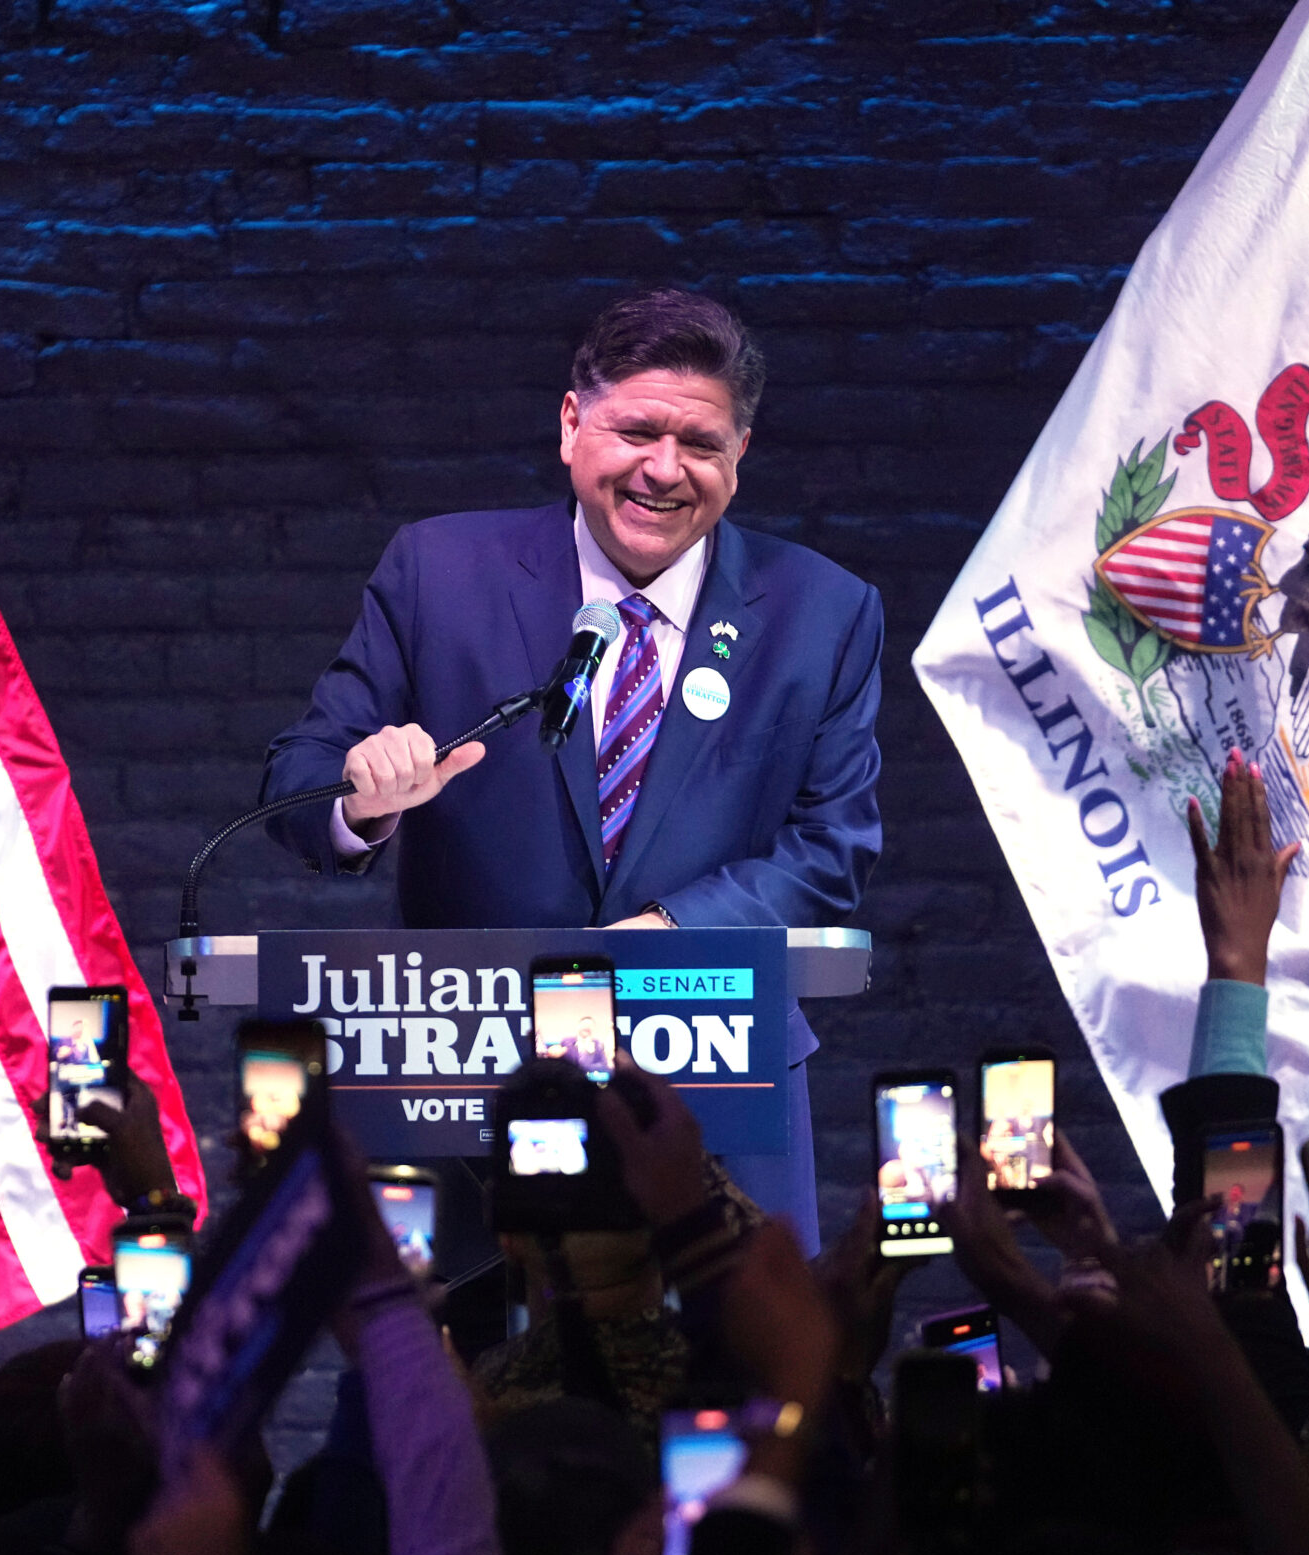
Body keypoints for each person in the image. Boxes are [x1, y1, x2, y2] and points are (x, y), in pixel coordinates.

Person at [262, 288, 886, 1248]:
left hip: (722, 1084)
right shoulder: (439, 572)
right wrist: (363, 797)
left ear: (740, 455)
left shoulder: (824, 611)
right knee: (478, 1348)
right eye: (636, 431)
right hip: (474, 1092)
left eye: (701, 444)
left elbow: (833, 847)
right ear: (570, 424)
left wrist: (667, 932)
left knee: (737, 1347)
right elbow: (298, 777)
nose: (664, 469)